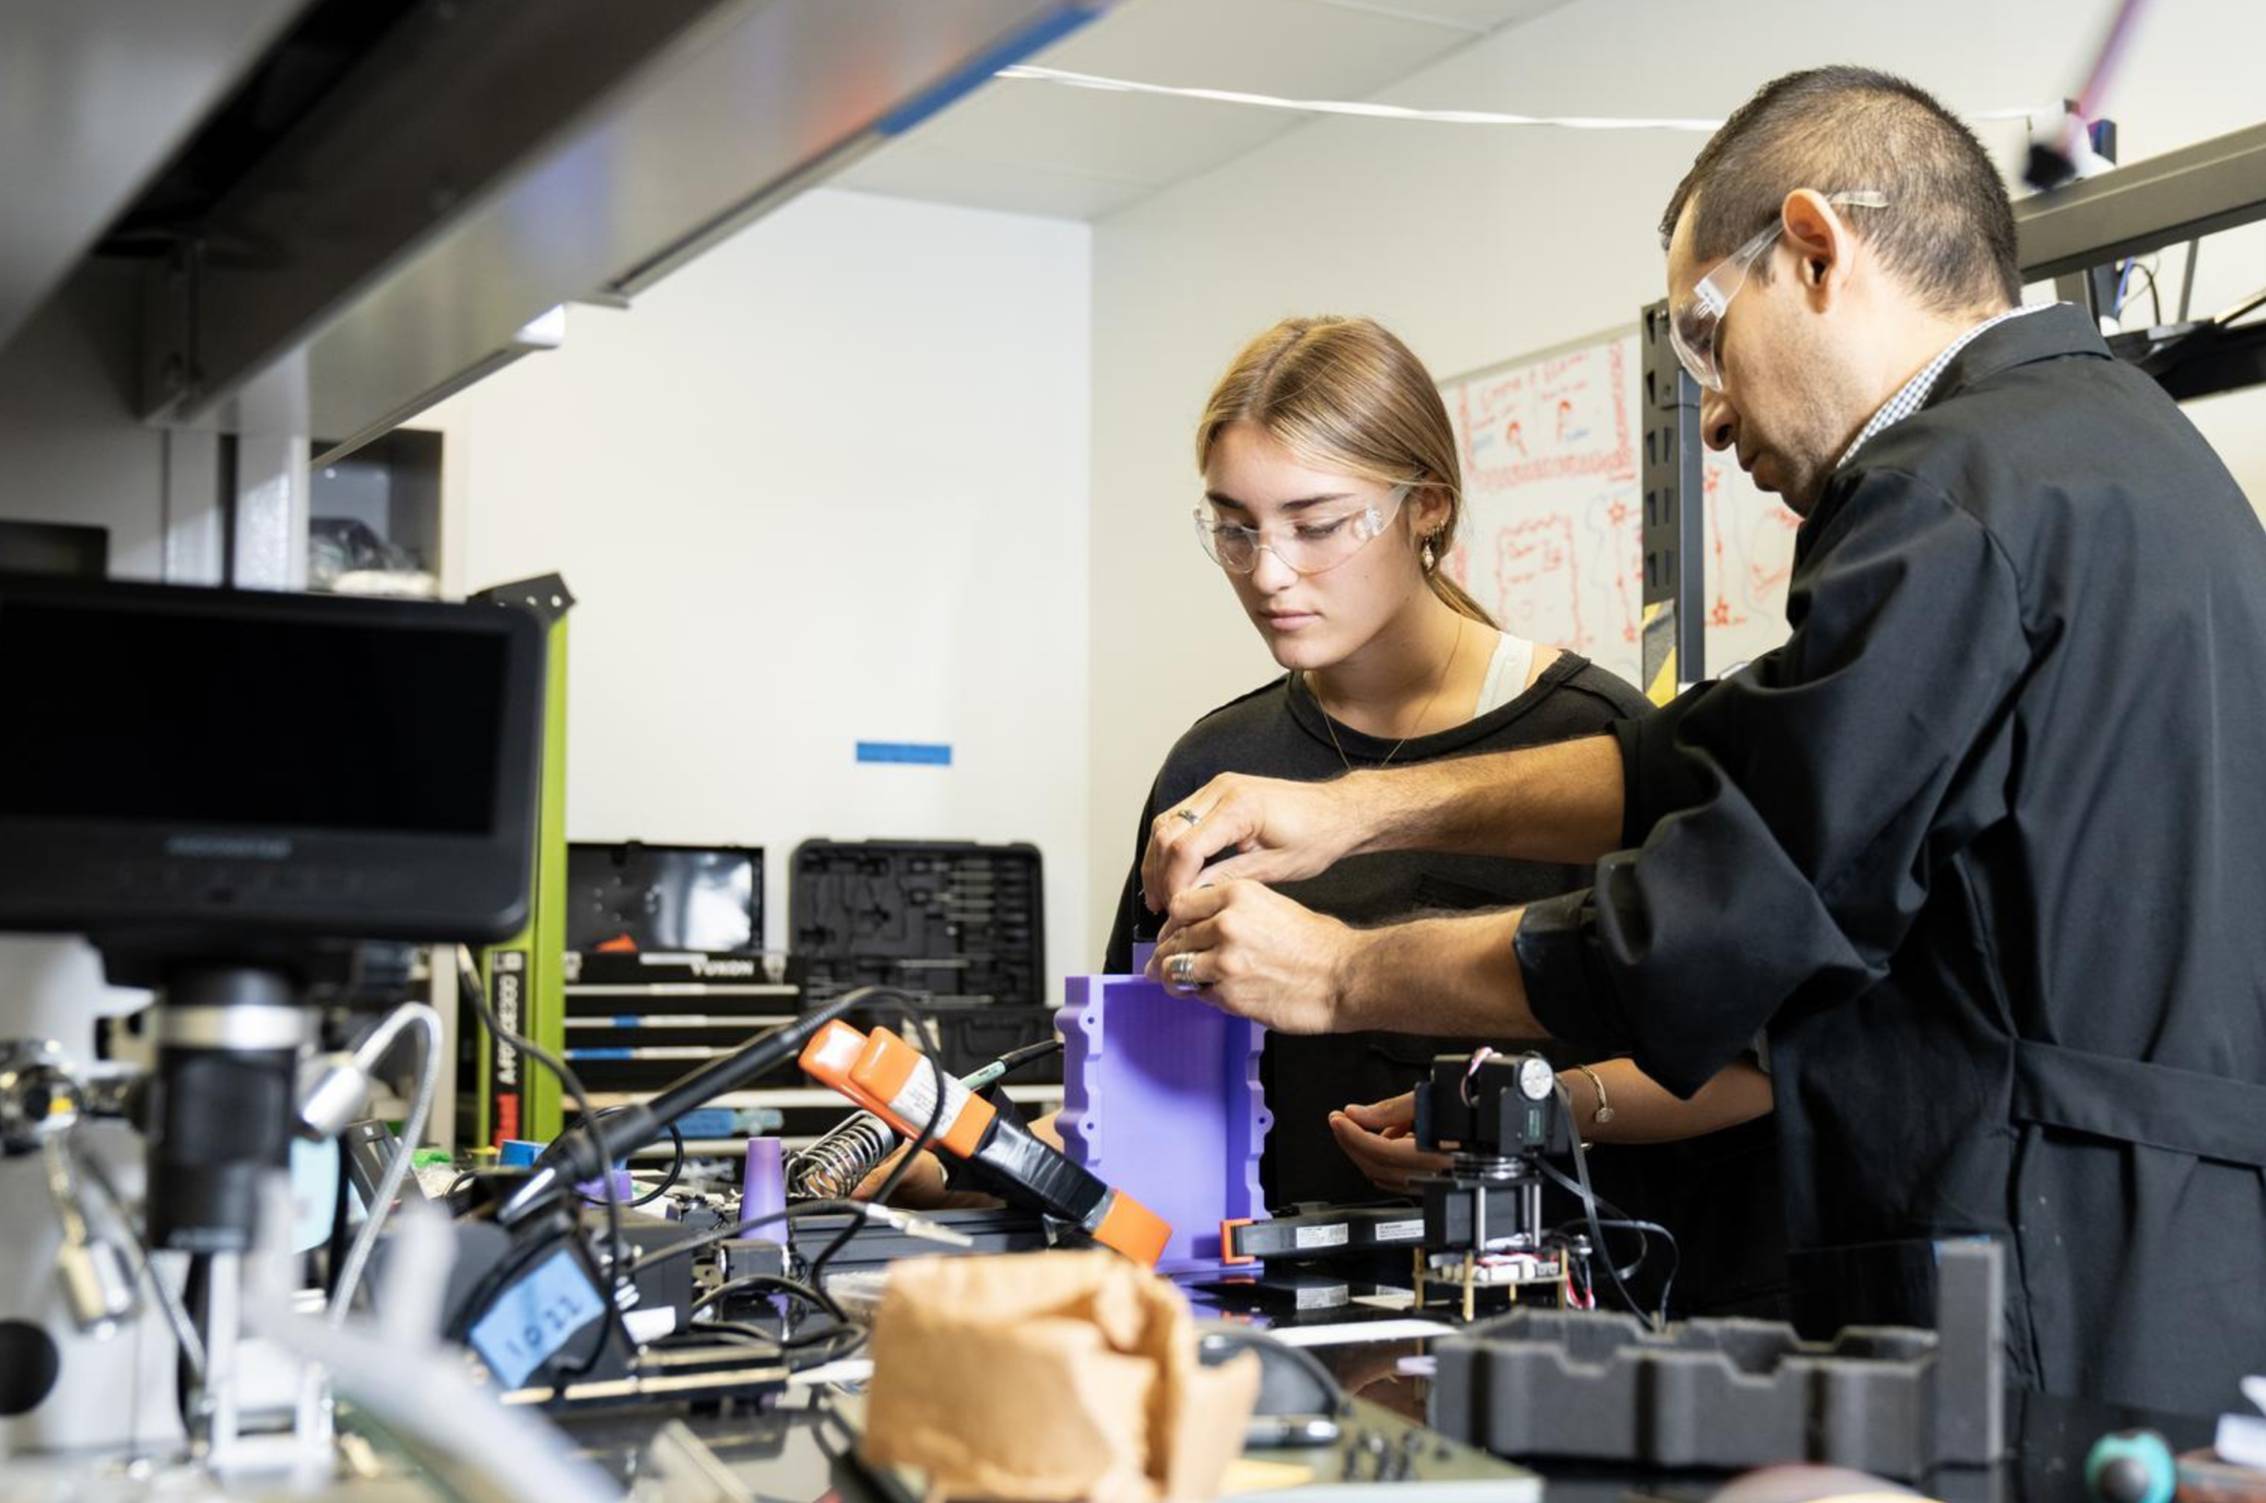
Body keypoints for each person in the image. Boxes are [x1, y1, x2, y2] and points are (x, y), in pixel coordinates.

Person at [1138, 66, 2266, 1415]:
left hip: (2034, 1270)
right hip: (2161, 1263)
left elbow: (1714, 922)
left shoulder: (1944, 497)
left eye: (1702, 343)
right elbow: (1727, 759)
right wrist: (1364, 815)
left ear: (1812, 248)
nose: (1713, 413)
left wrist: (1338, 972)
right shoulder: (2100, 452)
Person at [1104, 314, 1784, 1314]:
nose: (1267, 570)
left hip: (1558, 1328)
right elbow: (1136, 1076)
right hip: (1285, 1324)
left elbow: (1750, 1064)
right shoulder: (1217, 766)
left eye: (1315, 522)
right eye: (1235, 525)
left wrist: (1524, 1123)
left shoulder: (1593, 746)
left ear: (1425, 505)